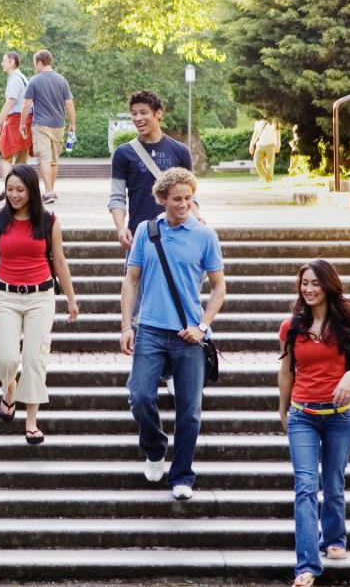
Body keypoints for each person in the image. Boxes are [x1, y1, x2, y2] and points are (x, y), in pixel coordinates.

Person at [119, 167, 225, 501]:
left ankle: (182, 475)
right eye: (176, 199)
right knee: (139, 396)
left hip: (188, 334)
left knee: (190, 410)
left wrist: (203, 326)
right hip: (150, 328)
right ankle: (154, 448)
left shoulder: (205, 235)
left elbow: (219, 286)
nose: (183, 205)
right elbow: (131, 280)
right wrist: (126, 324)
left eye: (188, 198)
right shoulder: (146, 231)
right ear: (162, 199)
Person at [0, 164, 79, 443]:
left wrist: (71, 299)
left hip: (40, 297)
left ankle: (31, 421)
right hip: (6, 296)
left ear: (32, 190)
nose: (14, 195)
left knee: (34, 359)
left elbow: (59, 261)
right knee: (6, 356)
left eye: (20, 190)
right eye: (9, 190)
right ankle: (10, 389)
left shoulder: (48, 220)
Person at [278, 260, 350, 587]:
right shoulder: (292, 327)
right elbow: (286, 371)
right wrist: (283, 409)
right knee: (304, 487)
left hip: (341, 417)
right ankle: (306, 566)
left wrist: (348, 376)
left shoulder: (349, 325)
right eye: (304, 283)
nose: (309, 289)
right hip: (303, 414)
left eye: (315, 283)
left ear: (328, 285)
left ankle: (336, 538)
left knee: (332, 481)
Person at [109, 90, 194, 252]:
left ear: (158, 113)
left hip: (177, 233)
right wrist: (121, 228)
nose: (137, 118)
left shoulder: (180, 151)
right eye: (133, 114)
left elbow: (191, 194)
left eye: (143, 112)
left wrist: (196, 216)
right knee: (135, 278)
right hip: (140, 235)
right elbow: (117, 197)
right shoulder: (123, 153)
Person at [20, 50, 75, 203]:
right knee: (54, 160)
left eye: (35, 64)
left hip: (40, 125)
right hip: (58, 125)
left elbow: (27, 105)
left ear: (39, 62)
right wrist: (73, 123)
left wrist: (22, 123)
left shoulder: (34, 80)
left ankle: (49, 191)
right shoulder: (62, 80)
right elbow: (69, 103)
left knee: (44, 158)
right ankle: (51, 190)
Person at [0, 50, 31, 202]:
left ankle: (9, 188)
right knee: (21, 160)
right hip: (26, 120)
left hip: (15, 120)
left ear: (12, 62)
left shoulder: (14, 79)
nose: (2, 63)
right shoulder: (24, 78)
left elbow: (10, 101)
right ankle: (22, 191)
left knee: (3, 156)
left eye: (4, 60)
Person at [251, 115, 281, 183]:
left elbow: (277, 132)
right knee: (257, 162)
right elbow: (256, 133)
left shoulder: (274, 121)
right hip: (260, 145)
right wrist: (252, 143)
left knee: (270, 164)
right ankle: (265, 177)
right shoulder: (258, 121)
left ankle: (268, 180)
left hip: (271, 145)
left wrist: (278, 143)